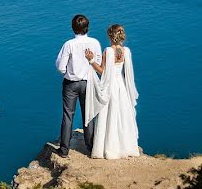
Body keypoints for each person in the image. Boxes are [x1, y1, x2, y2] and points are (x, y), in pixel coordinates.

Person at [83, 24, 140, 159]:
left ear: (110, 36)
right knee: (122, 115)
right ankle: (126, 147)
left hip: (111, 86)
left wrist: (91, 60)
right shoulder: (126, 51)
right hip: (121, 87)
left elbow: (103, 71)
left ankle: (109, 148)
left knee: (109, 115)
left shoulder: (108, 51)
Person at [55, 14, 102, 156]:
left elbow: (60, 67)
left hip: (71, 83)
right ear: (87, 28)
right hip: (88, 82)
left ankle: (64, 149)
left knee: (68, 115)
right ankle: (91, 147)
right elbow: (98, 64)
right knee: (88, 114)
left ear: (73, 28)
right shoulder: (95, 43)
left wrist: (68, 72)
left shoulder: (69, 44)